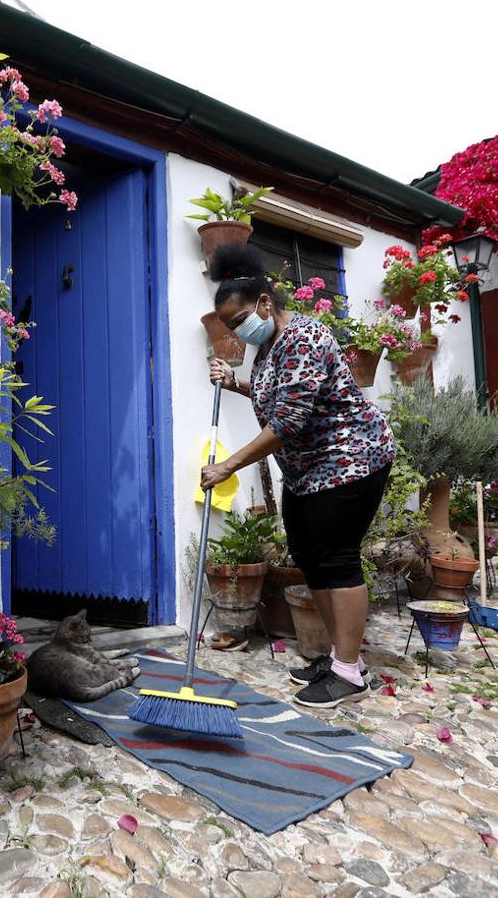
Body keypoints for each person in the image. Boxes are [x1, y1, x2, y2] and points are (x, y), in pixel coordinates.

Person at [200, 243, 395, 708]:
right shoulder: (268, 345)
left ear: (265, 302)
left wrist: (227, 465)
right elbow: (277, 396)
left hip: (351, 460)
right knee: (311, 558)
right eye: (228, 325)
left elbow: (288, 422)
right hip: (309, 470)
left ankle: (349, 675)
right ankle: (339, 658)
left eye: (238, 319)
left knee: (337, 559)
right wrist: (238, 383)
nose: (235, 330)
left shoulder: (305, 337)